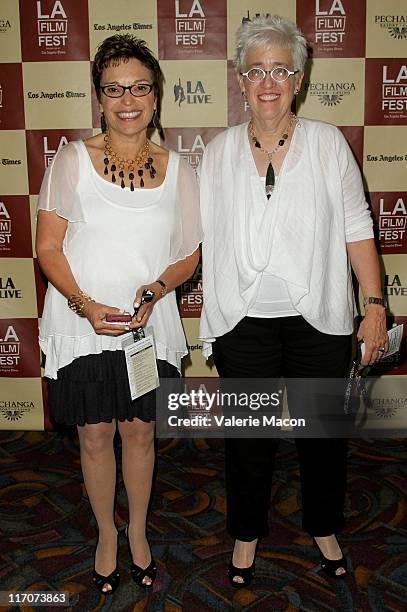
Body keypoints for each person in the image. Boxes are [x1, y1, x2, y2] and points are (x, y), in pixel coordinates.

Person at [198, 15, 388, 588]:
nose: (269, 81)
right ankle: (247, 533)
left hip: (321, 318)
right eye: (256, 69)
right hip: (244, 319)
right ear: (239, 80)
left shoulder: (329, 143)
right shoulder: (218, 151)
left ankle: (324, 526)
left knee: (321, 437)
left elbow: (358, 228)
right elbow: (193, 235)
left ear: (299, 79)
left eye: (282, 68)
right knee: (248, 440)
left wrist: (374, 305)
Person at [36, 34, 202, 595]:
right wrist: (84, 306)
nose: (127, 100)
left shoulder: (177, 168)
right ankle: (106, 532)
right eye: (114, 89)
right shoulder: (71, 159)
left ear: (155, 96)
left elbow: (188, 254)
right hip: (82, 328)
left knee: (139, 432)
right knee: (93, 436)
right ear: (98, 98)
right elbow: (48, 248)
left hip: (145, 333)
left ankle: (137, 532)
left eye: (138, 88)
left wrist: (157, 290)